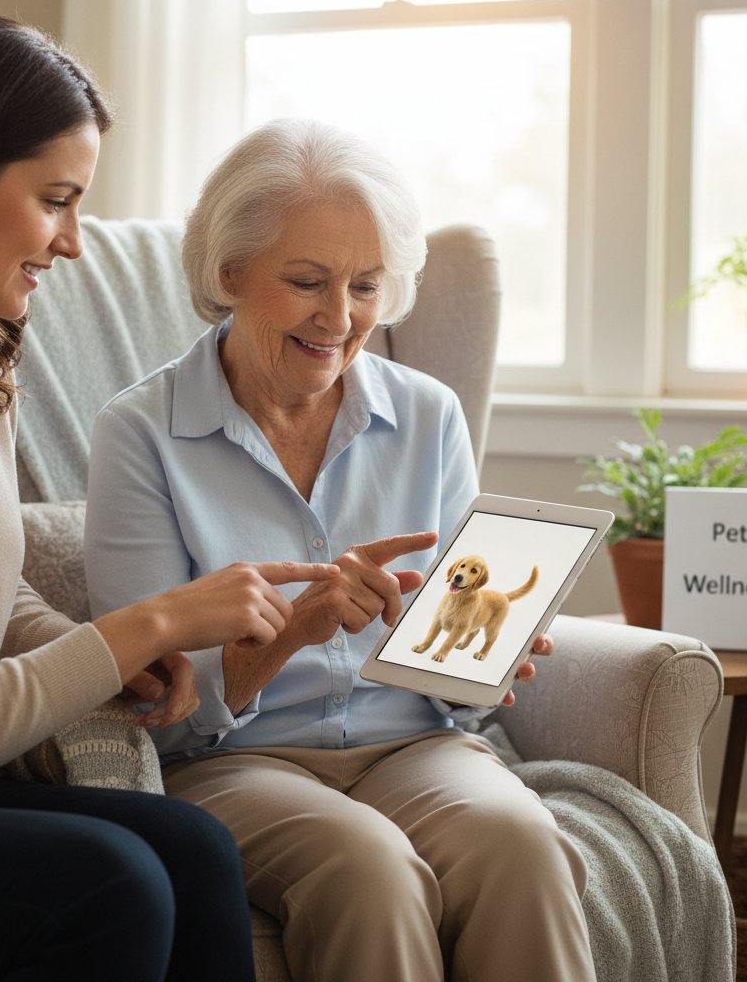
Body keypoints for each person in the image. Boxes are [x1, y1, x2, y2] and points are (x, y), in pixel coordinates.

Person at [0, 16, 341, 982]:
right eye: (55, 200)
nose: (72, 242)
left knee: (191, 848)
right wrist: (145, 623)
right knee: (113, 880)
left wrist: (119, 661)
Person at [84, 118, 597, 981]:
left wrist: (481, 656)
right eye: (308, 282)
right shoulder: (140, 433)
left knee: (521, 842)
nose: (340, 317)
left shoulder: (429, 414)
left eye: (365, 285)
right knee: (369, 871)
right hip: (235, 763)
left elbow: (456, 681)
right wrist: (288, 633)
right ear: (230, 272)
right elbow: (154, 701)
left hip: (415, 746)